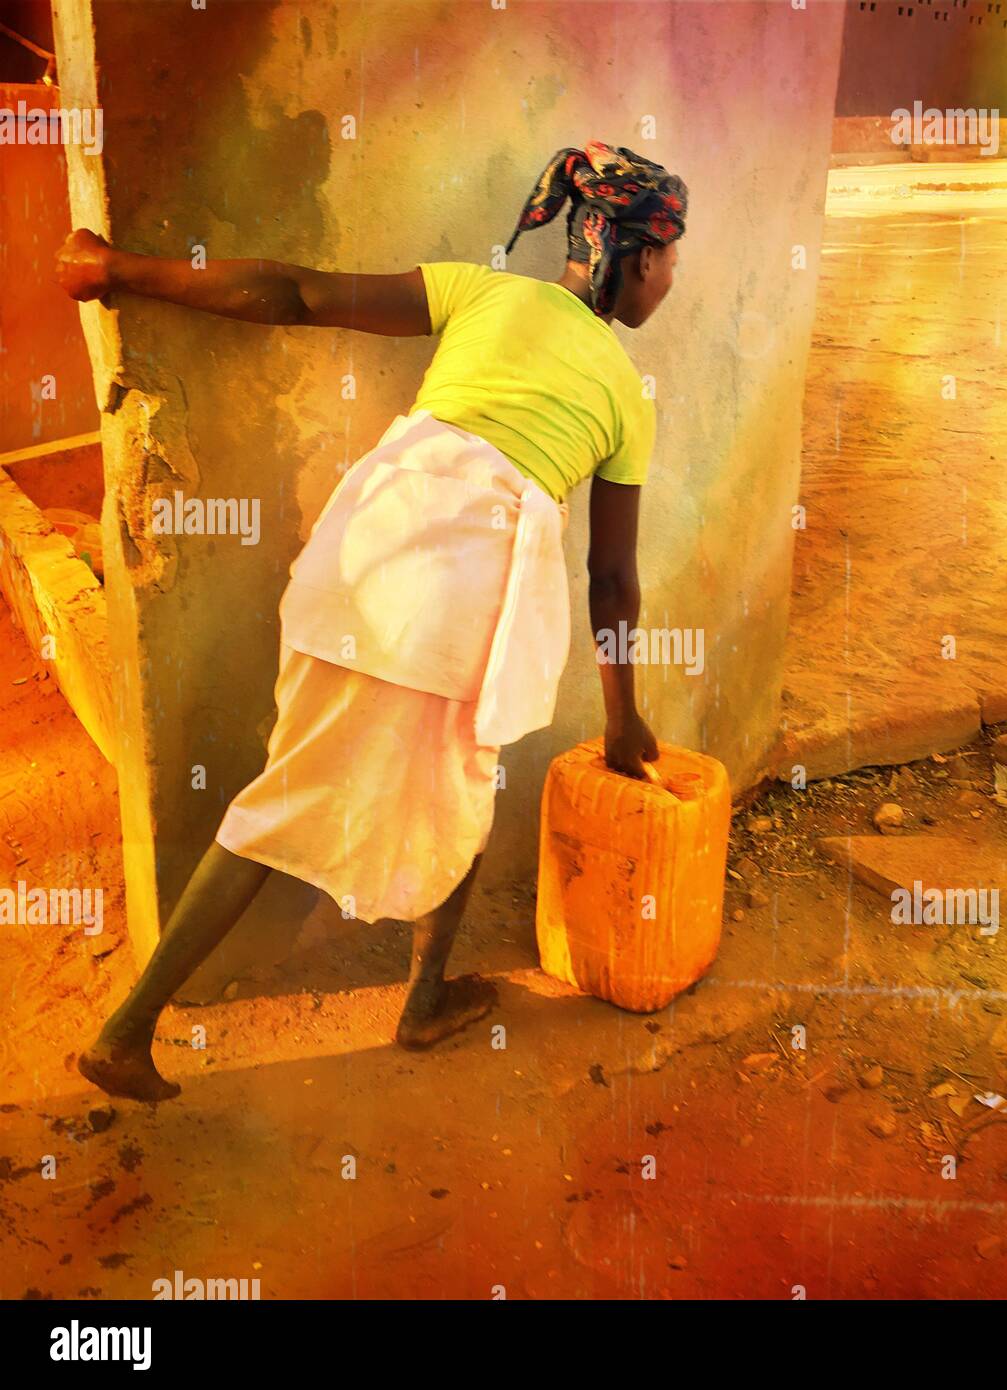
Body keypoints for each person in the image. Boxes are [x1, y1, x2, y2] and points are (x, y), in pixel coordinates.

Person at [55, 140, 688, 1102]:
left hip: (361, 555)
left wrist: (118, 272)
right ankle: (138, 1028)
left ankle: (404, 1000)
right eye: (673, 260)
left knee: (347, 785)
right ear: (642, 256)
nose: (670, 280)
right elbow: (610, 579)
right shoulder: (624, 398)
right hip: (457, 594)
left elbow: (297, 295)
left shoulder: (478, 293)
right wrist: (622, 715)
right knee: (406, 787)